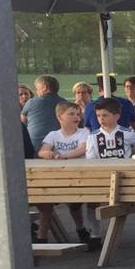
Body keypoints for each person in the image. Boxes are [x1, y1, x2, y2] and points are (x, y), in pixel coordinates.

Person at [35, 101, 96, 244]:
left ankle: (81, 228)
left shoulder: (84, 132)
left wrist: (65, 156)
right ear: (59, 117)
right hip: (58, 176)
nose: (76, 117)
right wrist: (47, 153)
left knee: (75, 204)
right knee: (45, 201)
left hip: (79, 176)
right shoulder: (53, 135)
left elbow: (83, 148)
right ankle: (42, 236)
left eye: (78, 114)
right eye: (71, 114)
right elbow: (42, 151)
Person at [21, 76, 67, 152]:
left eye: (37, 88)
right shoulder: (66, 103)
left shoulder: (31, 102)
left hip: (35, 148)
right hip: (62, 148)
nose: (36, 91)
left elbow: (22, 125)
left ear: (44, 88)